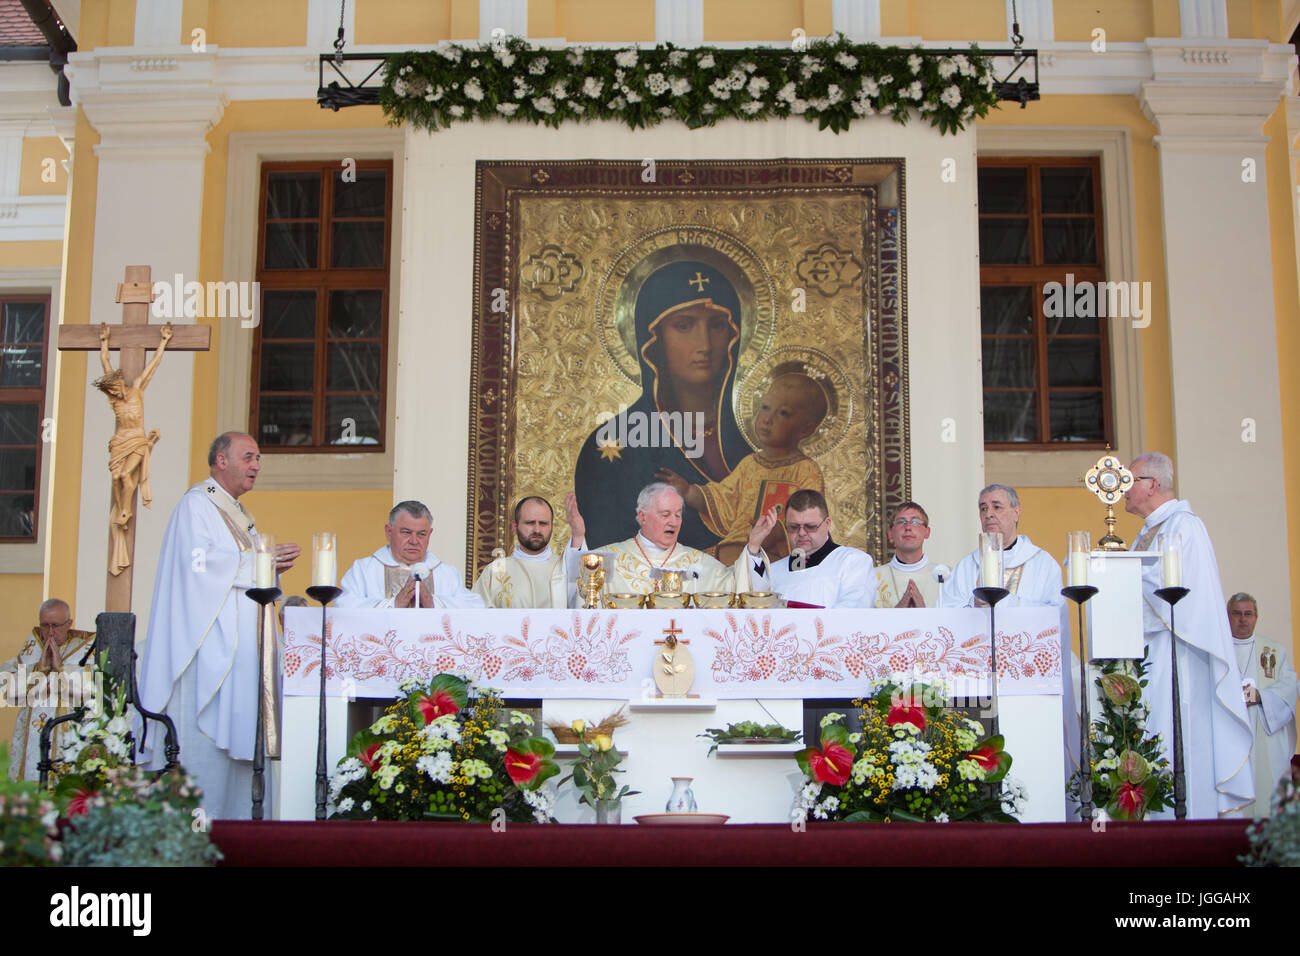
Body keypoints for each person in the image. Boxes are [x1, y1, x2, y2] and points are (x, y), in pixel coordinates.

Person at [138, 432, 300, 819]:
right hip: (209, 655)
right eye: (248, 457)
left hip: (242, 659)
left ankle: (239, 837)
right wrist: (260, 562)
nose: (256, 465)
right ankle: (197, 836)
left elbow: (243, 573)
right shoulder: (196, 506)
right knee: (206, 754)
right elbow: (197, 567)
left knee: (240, 763)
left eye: (258, 458)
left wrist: (268, 567)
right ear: (220, 461)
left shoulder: (238, 516)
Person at [573, 259, 752, 551]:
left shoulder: (758, 457)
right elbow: (609, 556)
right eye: (684, 326)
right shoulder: (616, 444)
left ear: (734, 336)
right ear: (653, 340)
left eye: (717, 325)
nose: (704, 344)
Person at [1124, 452, 1253, 818]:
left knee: (1178, 736)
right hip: (1149, 652)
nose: (1124, 490)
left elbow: (1176, 592)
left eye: (1131, 480)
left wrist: (1120, 575)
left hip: (1180, 652)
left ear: (1154, 484)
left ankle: (1187, 823)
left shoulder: (1184, 526)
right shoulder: (1148, 532)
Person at [658, 372, 827, 564]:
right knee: (681, 565)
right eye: (765, 408)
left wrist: (779, 530)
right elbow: (724, 498)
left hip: (774, 557)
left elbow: (812, 519)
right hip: (733, 547)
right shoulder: (750, 464)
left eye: (783, 413)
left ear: (806, 429)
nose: (767, 419)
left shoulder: (805, 470)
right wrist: (688, 492)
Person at [564, 482, 777, 601]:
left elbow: (741, 589)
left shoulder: (700, 564)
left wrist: (754, 546)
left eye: (678, 515)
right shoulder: (608, 558)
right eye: (665, 514)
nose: (673, 522)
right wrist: (578, 537)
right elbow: (573, 594)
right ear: (642, 517)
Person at [94, 320, 173, 574]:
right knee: (117, 476)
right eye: (111, 391)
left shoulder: (137, 388)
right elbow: (105, 362)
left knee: (128, 475)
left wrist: (163, 341)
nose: (114, 393)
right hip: (120, 442)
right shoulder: (113, 400)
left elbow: (153, 367)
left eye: (115, 388)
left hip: (137, 440)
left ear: (120, 383)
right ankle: (122, 511)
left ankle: (126, 512)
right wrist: (104, 341)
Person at [0, 599, 95, 781]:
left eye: (56, 626)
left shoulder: (85, 650)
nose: (50, 632)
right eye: (45, 626)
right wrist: (38, 670)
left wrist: (62, 669)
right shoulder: (32, 648)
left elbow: (92, 690)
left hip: (66, 738)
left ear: (69, 623)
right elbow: (7, 691)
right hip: (31, 742)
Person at [336, 500, 484, 609]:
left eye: (421, 534)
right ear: (389, 532)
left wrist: (433, 603)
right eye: (406, 532)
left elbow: (475, 607)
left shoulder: (446, 573)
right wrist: (394, 604)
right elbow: (342, 607)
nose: (414, 541)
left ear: (429, 534)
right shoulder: (363, 570)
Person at [1226, 593, 1295, 817]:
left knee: (1266, 795)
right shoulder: (1219, 651)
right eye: (1237, 614)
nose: (1243, 619)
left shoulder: (1273, 651)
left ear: (1256, 617)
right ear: (1227, 616)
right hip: (1231, 733)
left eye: (1248, 614)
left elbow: (1290, 686)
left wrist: (1262, 697)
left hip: (1264, 736)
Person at [940, 484, 1065, 609]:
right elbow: (944, 610)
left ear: (1016, 513)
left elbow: (1056, 614)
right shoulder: (966, 566)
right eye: (983, 509)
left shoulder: (1042, 563)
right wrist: (973, 603)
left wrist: (1004, 602)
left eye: (997, 507)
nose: (988, 514)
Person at [769, 489, 874, 608]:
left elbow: (851, 614)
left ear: (827, 524)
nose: (802, 533)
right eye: (794, 527)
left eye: (810, 527)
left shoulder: (853, 562)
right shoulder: (773, 572)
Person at [473, 496, 572, 608]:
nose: (537, 530)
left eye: (543, 523)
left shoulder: (564, 568)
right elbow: (476, 616)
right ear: (515, 527)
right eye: (530, 523)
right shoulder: (496, 570)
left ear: (552, 527)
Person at [873, 502, 943, 608]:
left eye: (915, 522)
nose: (908, 527)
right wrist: (898, 613)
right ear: (890, 533)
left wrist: (924, 611)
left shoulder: (945, 576)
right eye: (901, 522)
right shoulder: (873, 577)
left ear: (927, 532)